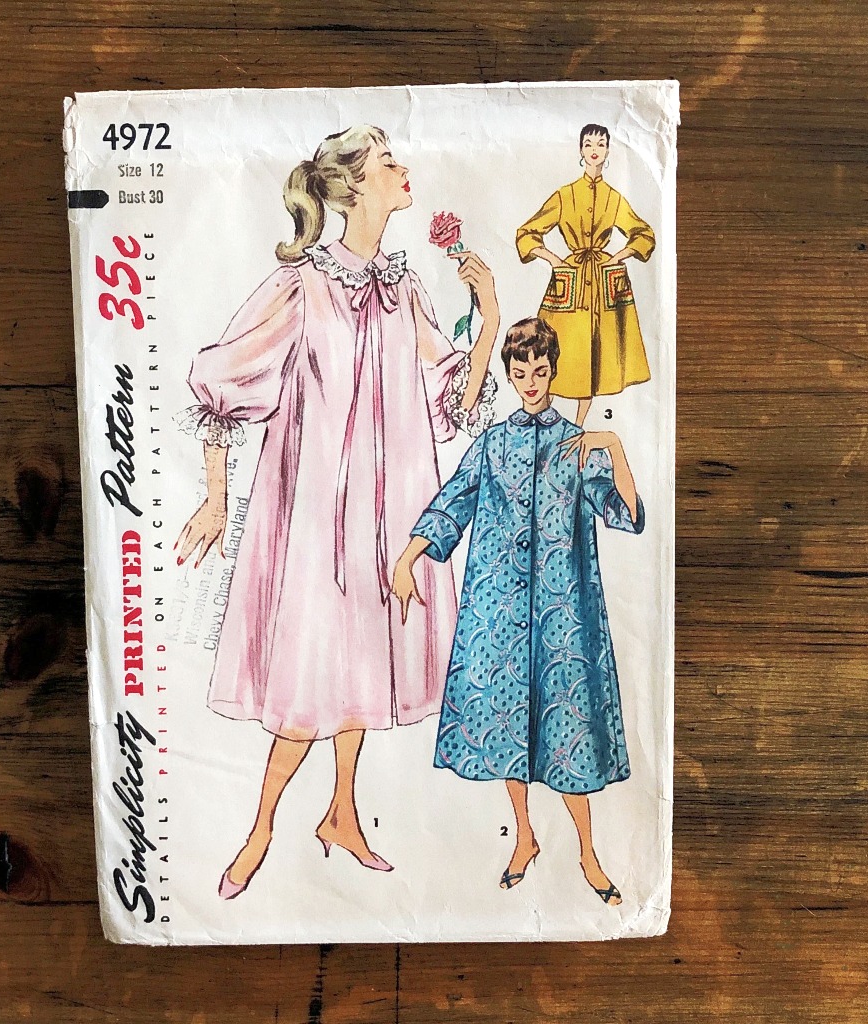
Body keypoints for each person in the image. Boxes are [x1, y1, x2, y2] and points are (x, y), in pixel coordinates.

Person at [175, 125, 499, 899]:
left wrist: (488, 318)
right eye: (389, 161)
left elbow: (453, 400)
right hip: (315, 517)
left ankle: (342, 813)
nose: (405, 167)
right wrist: (216, 497)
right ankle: (259, 828)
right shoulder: (302, 285)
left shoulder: (405, 287)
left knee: (366, 664)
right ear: (353, 187)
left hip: (388, 515)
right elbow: (223, 381)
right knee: (310, 676)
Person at [392, 317, 643, 903]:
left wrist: (614, 448)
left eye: (540, 370)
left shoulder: (577, 445)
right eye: (521, 371)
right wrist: (407, 559)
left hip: (562, 611)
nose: (531, 381)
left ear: (554, 372)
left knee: (568, 732)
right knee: (508, 725)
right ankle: (524, 836)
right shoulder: (491, 444)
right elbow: (452, 503)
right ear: (509, 375)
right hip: (499, 607)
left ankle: (588, 853)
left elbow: (627, 515)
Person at [515, 123, 655, 427]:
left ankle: (577, 427)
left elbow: (644, 234)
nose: (594, 150)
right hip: (572, 281)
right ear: (580, 149)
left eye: (601, 144)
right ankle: (541, 417)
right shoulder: (565, 195)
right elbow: (526, 233)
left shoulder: (614, 198)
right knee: (555, 350)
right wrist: (554, 260)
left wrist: (618, 257)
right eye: (589, 144)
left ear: (608, 151)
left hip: (604, 283)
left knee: (594, 359)